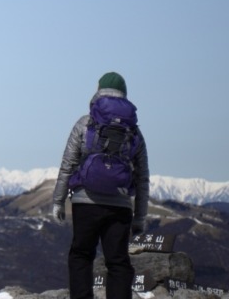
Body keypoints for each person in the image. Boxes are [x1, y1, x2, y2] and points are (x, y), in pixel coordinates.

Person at [52, 72, 151, 299]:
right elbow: (142, 177)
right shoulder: (134, 131)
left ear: (98, 91)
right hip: (120, 205)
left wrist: (58, 201)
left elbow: (67, 165)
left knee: (81, 255)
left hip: (85, 202)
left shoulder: (85, 124)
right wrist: (140, 218)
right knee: (117, 262)